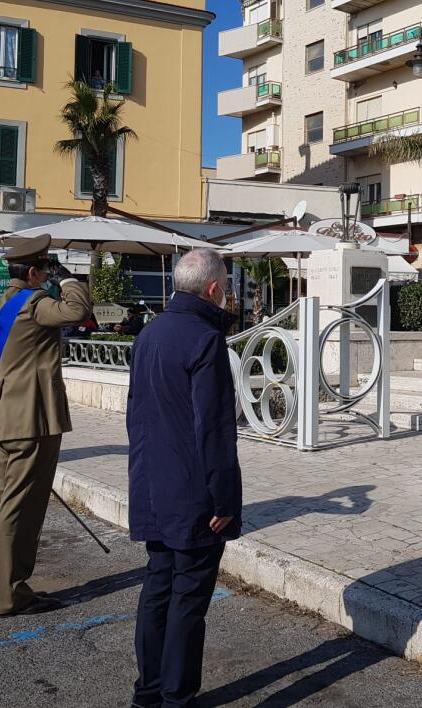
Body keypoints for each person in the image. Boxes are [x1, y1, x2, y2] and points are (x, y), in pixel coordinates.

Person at [127, 248, 241, 708]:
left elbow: (136, 415)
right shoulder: (205, 339)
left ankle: (149, 691)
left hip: (153, 482)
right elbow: (213, 429)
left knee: (158, 587)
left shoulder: (150, 334)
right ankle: (177, 696)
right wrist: (224, 500)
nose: (229, 298)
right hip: (193, 491)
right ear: (214, 289)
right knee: (188, 599)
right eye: (227, 290)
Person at [0, 234, 92, 617]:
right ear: (32, 271)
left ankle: (0, 582)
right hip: (31, 420)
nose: (48, 277)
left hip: (2, 416)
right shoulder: (35, 304)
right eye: (45, 270)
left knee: (0, 501)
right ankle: (10, 594)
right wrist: (69, 279)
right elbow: (77, 310)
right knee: (21, 507)